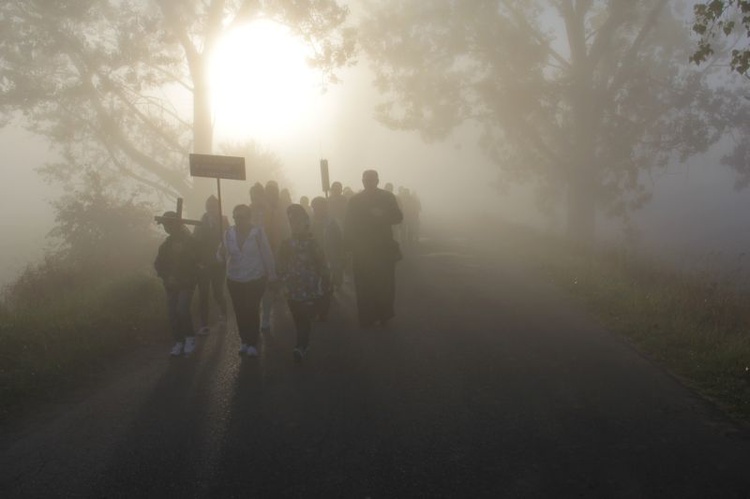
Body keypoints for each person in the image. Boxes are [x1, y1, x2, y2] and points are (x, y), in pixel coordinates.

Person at [344, 170, 403, 328]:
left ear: (377, 181)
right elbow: (348, 225)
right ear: (362, 181)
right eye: (366, 180)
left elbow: (398, 217)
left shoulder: (387, 197)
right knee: (363, 285)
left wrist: (382, 215)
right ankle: (366, 316)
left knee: (385, 284)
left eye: (371, 180)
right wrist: (348, 248)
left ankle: (384, 314)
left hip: (383, 248)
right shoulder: (355, 200)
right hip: (362, 250)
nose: (369, 183)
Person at [218, 204, 277, 357]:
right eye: (236, 217)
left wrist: (272, 276)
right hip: (234, 279)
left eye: (242, 217)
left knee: (251, 309)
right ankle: (244, 340)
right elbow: (220, 256)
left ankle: (252, 342)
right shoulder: (228, 234)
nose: (239, 220)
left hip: (255, 278)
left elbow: (267, 254)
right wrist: (220, 253)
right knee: (240, 311)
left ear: (249, 218)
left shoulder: (257, 233)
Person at [276, 204, 330, 362]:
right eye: (292, 223)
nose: (295, 226)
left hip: (310, 288)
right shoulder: (286, 244)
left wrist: (326, 280)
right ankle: (302, 343)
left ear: (306, 224)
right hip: (292, 288)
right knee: (297, 317)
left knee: (304, 318)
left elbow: (322, 263)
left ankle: (301, 346)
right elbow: (280, 263)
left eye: (299, 223)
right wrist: (280, 279)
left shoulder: (313, 244)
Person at [154, 211, 200, 356]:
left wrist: (183, 275)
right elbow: (158, 264)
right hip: (171, 284)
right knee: (172, 312)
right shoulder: (165, 245)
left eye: (169, 224)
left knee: (182, 309)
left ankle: (190, 338)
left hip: (186, 282)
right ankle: (179, 341)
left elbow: (196, 262)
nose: (166, 227)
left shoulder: (190, 241)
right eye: (165, 225)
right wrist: (167, 277)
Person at [193, 195, 228, 335]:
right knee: (203, 294)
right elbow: (194, 241)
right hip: (203, 263)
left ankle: (224, 314)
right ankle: (204, 324)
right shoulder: (200, 222)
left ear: (218, 207)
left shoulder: (224, 220)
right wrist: (197, 260)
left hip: (218, 263)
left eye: (214, 206)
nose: (211, 209)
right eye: (209, 206)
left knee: (218, 292)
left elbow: (228, 238)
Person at [310, 196, 344, 319]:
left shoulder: (332, 223)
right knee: (315, 283)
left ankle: (323, 311)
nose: (317, 209)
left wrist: (339, 258)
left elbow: (339, 241)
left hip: (329, 257)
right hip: (314, 258)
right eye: (315, 207)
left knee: (325, 284)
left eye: (320, 207)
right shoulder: (309, 222)